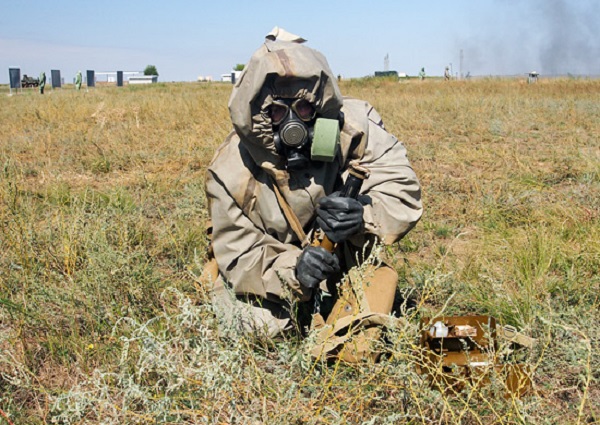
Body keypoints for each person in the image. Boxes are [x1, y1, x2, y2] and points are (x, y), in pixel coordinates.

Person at [204, 28, 422, 361]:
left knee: (368, 320)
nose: (293, 124)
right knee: (258, 324)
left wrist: (362, 214)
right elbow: (238, 251)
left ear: (321, 105)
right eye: (276, 111)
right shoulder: (231, 170)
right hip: (275, 275)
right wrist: (295, 270)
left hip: (342, 262)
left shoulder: (353, 128)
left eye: (305, 108)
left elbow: (402, 190)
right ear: (256, 116)